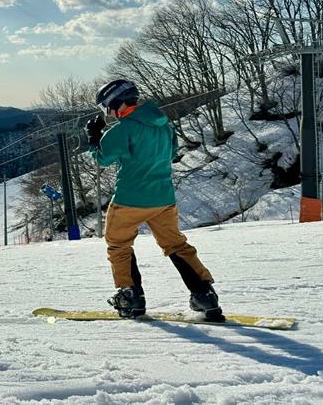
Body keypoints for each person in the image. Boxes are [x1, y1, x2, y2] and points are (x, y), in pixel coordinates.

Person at [87, 79, 222, 321]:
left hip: (130, 198)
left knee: (119, 245)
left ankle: (131, 298)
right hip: (163, 199)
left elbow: (103, 159)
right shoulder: (164, 126)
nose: (107, 114)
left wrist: (94, 137)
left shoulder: (121, 129)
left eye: (106, 108)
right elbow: (171, 154)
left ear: (116, 103)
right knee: (177, 245)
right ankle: (205, 295)